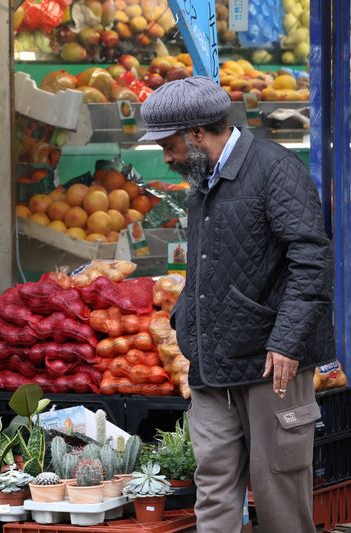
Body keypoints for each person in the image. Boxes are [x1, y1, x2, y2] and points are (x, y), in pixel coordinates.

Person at [138, 76, 335, 533]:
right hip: (212, 367)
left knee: (279, 492)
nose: (166, 157)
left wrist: (286, 342)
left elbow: (312, 259)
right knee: (213, 487)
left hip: (272, 365)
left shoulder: (275, 169)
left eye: (169, 145)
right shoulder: (202, 177)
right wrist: (186, 324)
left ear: (196, 134)